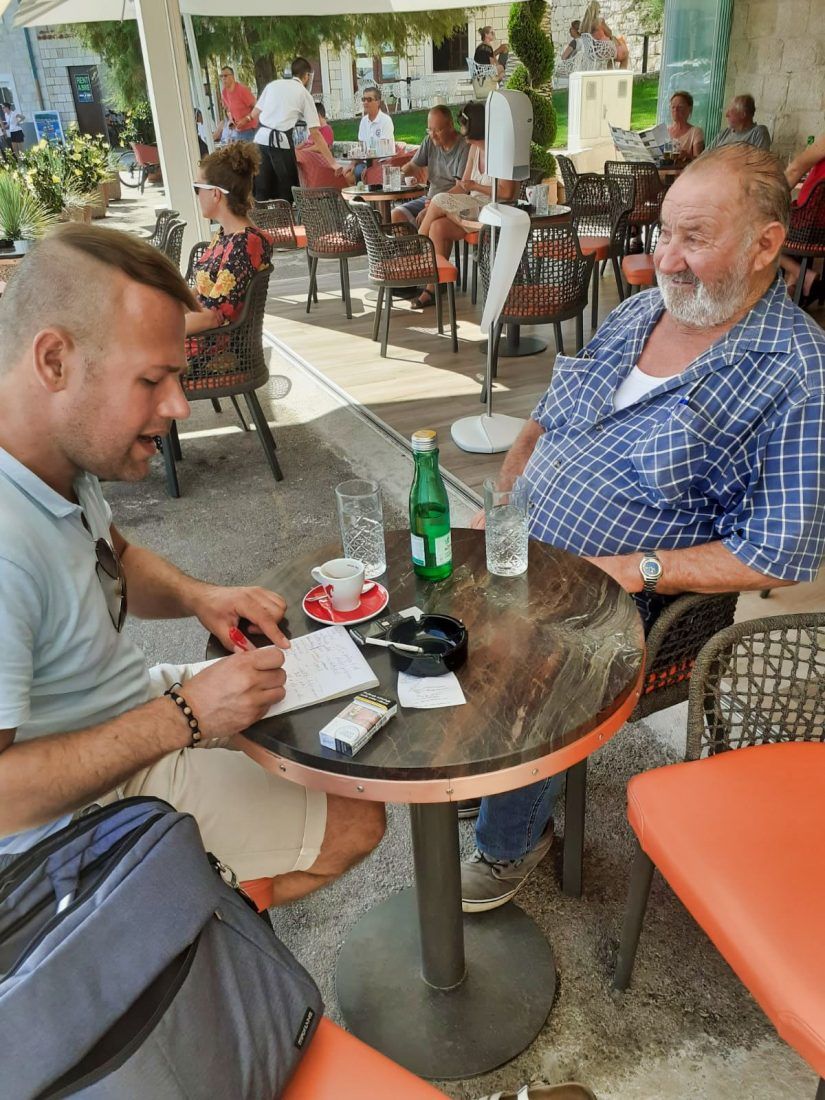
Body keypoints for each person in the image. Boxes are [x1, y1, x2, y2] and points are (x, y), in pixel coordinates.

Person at [459, 144, 825, 913]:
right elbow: (544, 420)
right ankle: (500, 765)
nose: (666, 259)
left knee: (537, 653)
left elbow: (779, 551)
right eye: (664, 233)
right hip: (531, 546)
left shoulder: (796, 371)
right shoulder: (637, 312)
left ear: (764, 244)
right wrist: (502, 502)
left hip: (638, 601)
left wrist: (636, 569)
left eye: (694, 238)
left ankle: (511, 840)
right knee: (433, 602)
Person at [0, 223, 385, 910]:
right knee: (356, 817)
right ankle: (168, 932)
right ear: (54, 361)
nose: (178, 406)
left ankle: (199, 898)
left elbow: (116, 557)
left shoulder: (53, 456)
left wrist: (200, 596)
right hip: (64, 823)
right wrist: (186, 715)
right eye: (152, 380)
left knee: (310, 690)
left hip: (123, 705)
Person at [411, 99, 515, 311]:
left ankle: (416, 251)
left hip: (492, 211)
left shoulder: (501, 150)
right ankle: (432, 287)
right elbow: (462, 186)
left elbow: (507, 192)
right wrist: (438, 205)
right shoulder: (474, 149)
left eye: (464, 125)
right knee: (437, 227)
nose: (461, 130)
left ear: (475, 126)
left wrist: (474, 186)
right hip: (471, 208)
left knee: (438, 203)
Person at [186, 143, 273, 336]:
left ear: (215, 194)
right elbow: (200, 290)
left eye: (197, 188)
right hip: (197, 335)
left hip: (212, 345)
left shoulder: (245, 244)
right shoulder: (226, 234)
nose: (197, 196)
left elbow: (212, 317)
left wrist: (156, 333)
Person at [248, 57, 342, 202]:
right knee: (288, 191)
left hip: (260, 140)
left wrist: (245, 119)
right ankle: (286, 216)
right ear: (307, 76)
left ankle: (261, 216)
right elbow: (315, 133)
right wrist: (333, 163)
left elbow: (255, 112)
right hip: (280, 143)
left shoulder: (273, 85)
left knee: (261, 190)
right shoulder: (303, 94)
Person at [391, 106, 469, 229]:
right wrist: (396, 176)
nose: (433, 135)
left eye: (437, 130)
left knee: (432, 223)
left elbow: (460, 188)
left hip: (451, 202)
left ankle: (421, 240)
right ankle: (414, 242)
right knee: (397, 214)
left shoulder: (464, 147)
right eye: (429, 130)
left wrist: (432, 207)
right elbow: (413, 165)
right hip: (429, 199)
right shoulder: (429, 141)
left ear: (450, 125)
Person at [778, 132, 825, 305]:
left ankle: (801, 274)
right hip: (818, 224)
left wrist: (771, 197)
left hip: (807, 219)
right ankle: (793, 284)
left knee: (755, 228)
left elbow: (795, 169)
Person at [344, 87, 396, 185]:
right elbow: (361, 147)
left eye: (369, 99)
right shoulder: (364, 121)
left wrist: (370, 169)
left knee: (360, 172)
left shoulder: (386, 121)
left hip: (382, 163)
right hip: (366, 163)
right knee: (349, 173)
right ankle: (360, 193)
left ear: (378, 102)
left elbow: (383, 150)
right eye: (363, 99)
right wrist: (352, 163)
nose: (365, 102)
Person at [707, 94, 771, 151]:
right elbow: (704, 155)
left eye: (730, 112)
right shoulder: (725, 132)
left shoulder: (758, 133)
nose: (726, 115)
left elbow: (760, 160)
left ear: (742, 114)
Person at [580, 1, 628, 67]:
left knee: (612, 54)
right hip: (603, 50)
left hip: (593, 51)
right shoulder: (599, 21)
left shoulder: (584, 25)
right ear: (596, 11)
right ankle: (621, 73)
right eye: (599, 11)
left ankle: (610, 71)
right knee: (625, 54)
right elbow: (609, 33)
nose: (599, 12)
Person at [219, 65, 257, 144]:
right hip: (238, 131)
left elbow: (257, 108)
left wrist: (246, 119)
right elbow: (229, 110)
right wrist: (231, 121)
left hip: (251, 130)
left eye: (225, 76)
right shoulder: (224, 92)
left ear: (232, 77)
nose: (223, 78)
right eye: (221, 76)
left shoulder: (242, 90)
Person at [667, 90, 705, 162]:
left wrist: (687, 156)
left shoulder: (695, 132)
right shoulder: (666, 131)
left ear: (689, 109)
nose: (676, 110)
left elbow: (699, 160)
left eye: (680, 107)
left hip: (685, 169)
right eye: (673, 107)